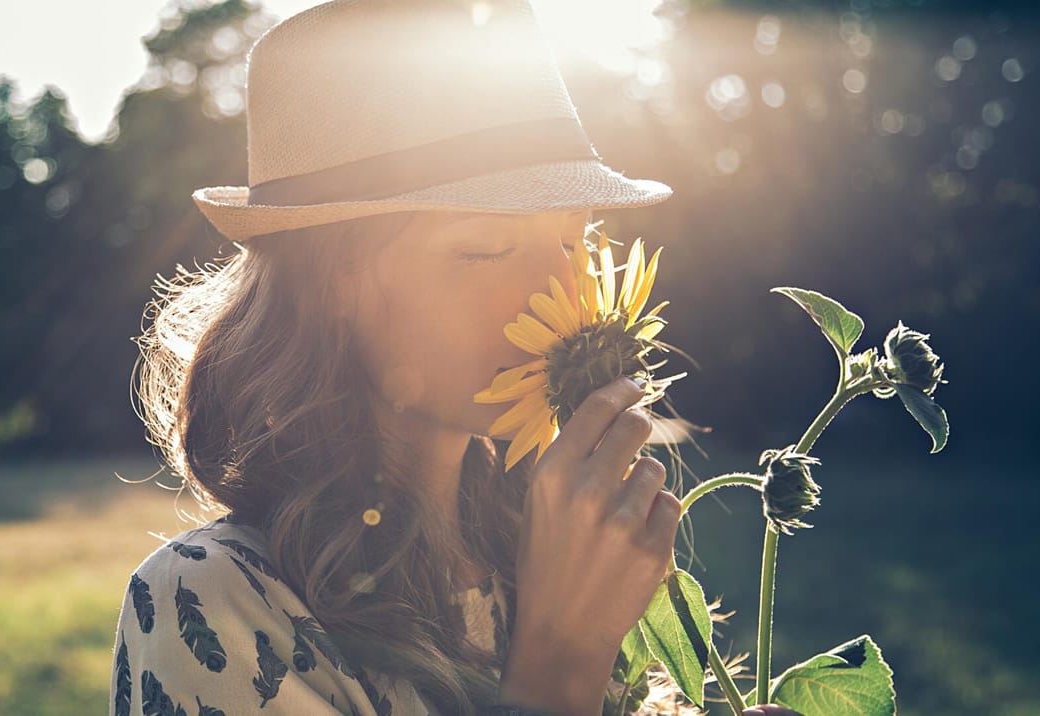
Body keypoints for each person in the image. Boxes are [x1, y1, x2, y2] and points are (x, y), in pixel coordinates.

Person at [110, 2, 799, 715]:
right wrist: (560, 659)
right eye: (485, 250)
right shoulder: (213, 605)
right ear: (328, 284)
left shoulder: (537, 550)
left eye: (575, 242)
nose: (564, 294)